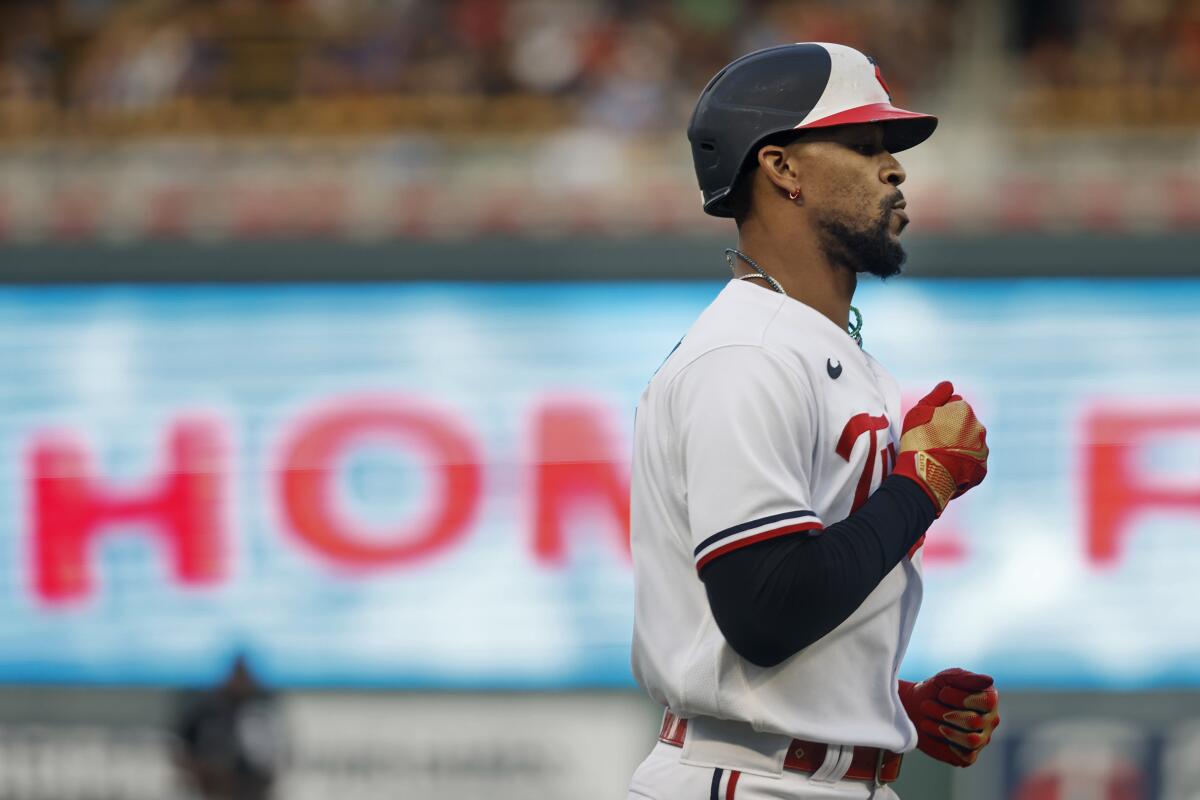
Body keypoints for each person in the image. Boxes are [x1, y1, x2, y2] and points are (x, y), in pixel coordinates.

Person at [626, 43, 1000, 799]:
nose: (894, 170)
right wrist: (923, 481)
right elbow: (765, 606)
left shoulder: (816, 347)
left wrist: (874, 706)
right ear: (782, 169)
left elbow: (799, 589)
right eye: (864, 147)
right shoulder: (745, 354)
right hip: (745, 778)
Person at [173, 654, 283, 800]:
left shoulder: (262, 713)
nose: (241, 681)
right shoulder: (204, 711)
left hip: (252, 791)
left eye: (245, 676)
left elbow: (275, 760)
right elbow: (179, 751)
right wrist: (204, 771)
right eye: (238, 675)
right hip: (210, 791)